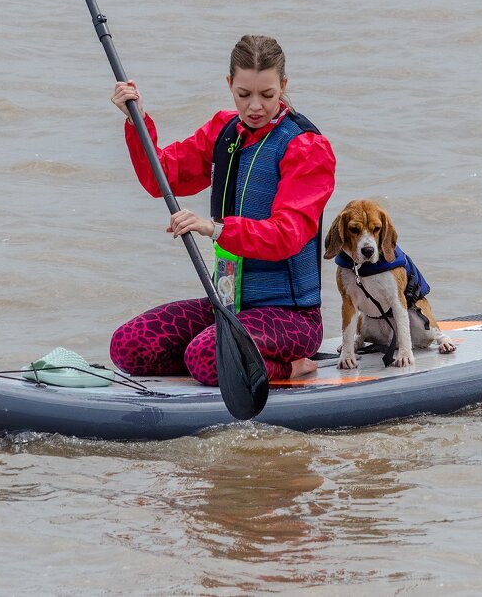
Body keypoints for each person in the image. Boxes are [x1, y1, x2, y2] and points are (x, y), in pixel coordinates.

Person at [108, 34, 336, 386]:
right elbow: (162, 178)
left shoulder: (307, 147)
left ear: (284, 86)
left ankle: (292, 366)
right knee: (129, 347)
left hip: (292, 319)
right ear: (229, 84)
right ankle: (222, 365)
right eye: (244, 94)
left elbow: (287, 236)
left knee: (205, 357)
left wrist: (215, 229)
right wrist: (136, 119)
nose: (255, 106)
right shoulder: (224, 131)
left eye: (267, 94)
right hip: (228, 305)